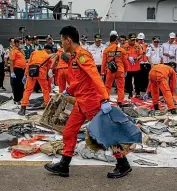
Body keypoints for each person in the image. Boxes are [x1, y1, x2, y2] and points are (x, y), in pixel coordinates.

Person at [44, 25, 132, 179]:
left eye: (62, 41)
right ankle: (64, 166)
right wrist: (68, 91)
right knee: (69, 131)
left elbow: (95, 77)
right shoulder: (73, 57)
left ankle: (123, 164)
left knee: (105, 134)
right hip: (81, 102)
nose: (61, 44)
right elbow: (79, 80)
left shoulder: (83, 56)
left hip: (92, 102)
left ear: (68, 40)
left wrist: (105, 99)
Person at [18, 45, 54, 115]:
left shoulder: (34, 52)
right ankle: (47, 106)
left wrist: (25, 74)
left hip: (31, 72)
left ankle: (23, 108)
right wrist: (49, 78)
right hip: (41, 73)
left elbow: (28, 64)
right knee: (45, 90)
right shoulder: (48, 56)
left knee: (27, 90)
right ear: (49, 50)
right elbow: (50, 67)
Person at [102, 34, 128, 106]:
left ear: (109, 41)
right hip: (120, 70)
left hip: (110, 70)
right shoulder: (121, 50)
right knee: (120, 87)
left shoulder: (106, 50)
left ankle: (106, 99)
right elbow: (125, 62)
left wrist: (102, 72)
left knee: (107, 86)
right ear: (116, 40)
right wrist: (126, 70)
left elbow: (103, 62)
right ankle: (120, 101)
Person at [122, 33, 143, 98]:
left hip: (136, 66)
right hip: (128, 67)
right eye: (132, 40)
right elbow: (123, 55)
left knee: (137, 81)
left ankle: (138, 93)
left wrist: (137, 58)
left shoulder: (138, 45)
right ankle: (130, 93)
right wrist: (128, 57)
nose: (133, 41)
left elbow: (141, 54)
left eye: (134, 40)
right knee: (128, 81)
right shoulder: (125, 46)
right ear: (128, 39)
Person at [9, 38, 27, 104]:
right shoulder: (13, 51)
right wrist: (12, 72)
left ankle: (21, 98)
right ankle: (16, 99)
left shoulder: (21, 51)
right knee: (16, 85)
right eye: (20, 43)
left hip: (22, 70)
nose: (22, 44)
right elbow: (11, 62)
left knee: (22, 84)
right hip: (17, 70)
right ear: (16, 43)